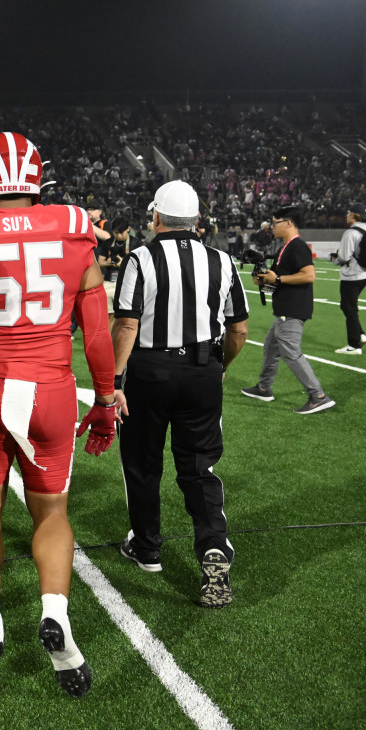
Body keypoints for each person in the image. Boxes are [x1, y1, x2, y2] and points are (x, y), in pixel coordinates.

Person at [0, 132, 118, 701]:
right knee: (51, 512)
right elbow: (95, 331)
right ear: (35, 178)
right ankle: (55, 611)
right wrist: (107, 398)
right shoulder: (70, 223)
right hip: (50, 388)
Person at [113, 180, 249, 607]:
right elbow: (239, 328)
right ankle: (212, 545)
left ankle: (148, 547)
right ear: (196, 221)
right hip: (202, 371)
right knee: (199, 468)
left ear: (155, 217)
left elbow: (128, 325)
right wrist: (219, 368)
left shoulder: (141, 257)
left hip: (151, 372)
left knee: (143, 462)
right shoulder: (223, 261)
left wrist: (114, 381)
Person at [241, 206, 335, 414]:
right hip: (285, 307)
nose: (272, 227)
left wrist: (279, 278)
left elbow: (309, 275)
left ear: (289, 223)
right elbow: (274, 281)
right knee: (271, 346)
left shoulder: (297, 246)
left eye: (275, 223)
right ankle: (264, 388)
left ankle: (317, 395)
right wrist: (263, 279)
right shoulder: (285, 248)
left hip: (292, 308)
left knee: (291, 352)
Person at [331, 202, 366, 355]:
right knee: (348, 306)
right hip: (365, 274)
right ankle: (360, 334)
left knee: (349, 307)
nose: (346, 215)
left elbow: (344, 257)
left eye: (349, 213)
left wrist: (334, 259)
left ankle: (354, 345)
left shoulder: (350, 233)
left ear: (354, 216)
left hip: (352, 276)